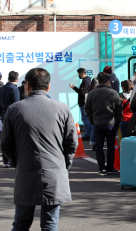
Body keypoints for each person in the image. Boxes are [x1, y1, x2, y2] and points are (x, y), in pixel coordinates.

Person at [1, 68, 78, 231]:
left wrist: (17, 162)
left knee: (21, 223)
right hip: (54, 173)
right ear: (48, 86)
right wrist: (64, 164)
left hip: (26, 171)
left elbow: (6, 143)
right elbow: (71, 143)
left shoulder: (14, 109)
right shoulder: (62, 108)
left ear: (27, 85)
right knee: (50, 224)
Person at [85, 72, 122, 176]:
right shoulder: (113, 93)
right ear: (107, 82)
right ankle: (110, 167)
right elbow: (119, 108)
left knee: (99, 147)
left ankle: (102, 168)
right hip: (110, 123)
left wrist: (92, 120)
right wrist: (117, 121)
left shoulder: (92, 93)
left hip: (97, 123)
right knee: (111, 146)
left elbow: (87, 109)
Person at [0, 71, 20, 168]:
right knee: (15, 137)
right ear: (17, 79)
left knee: (6, 137)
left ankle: (5, 161)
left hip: (4, 115)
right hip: (13, 115)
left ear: (8, 78)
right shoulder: (14, 89)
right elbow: (16, 104)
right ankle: (14, 160)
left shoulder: (2, 89)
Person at [69, 68, 91, 141]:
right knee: (85, 119)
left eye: (78, 74)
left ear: (82, 73)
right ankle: (88, 134)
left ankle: (87, 134)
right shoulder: (88, 80)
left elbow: (81, 92)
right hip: (85, 102)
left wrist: (74, 87)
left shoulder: (85, 81)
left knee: (85, 119)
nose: (78, 75)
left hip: (84, 103)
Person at [85, 78, 99, 151]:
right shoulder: (97, 92)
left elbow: (86, 104)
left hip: (91, 112)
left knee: (93, 129)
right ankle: (99, 143)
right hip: (98, 112)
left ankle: (93, 144)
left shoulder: (88, 93)